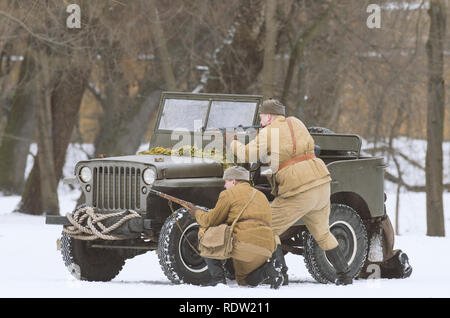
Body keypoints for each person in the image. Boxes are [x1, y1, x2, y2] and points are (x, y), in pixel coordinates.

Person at [229, 99, 352, 285]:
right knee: (323, 233)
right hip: (320, 183)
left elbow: (248, 155)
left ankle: (280, 274)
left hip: (299, 188)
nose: (260, 119)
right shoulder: (297, 122)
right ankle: (345, 276)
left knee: (266, 227)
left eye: (261, 116)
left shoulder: (269, 131)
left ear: (269, 116)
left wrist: (232, 142)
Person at [187, 166, 283, 288]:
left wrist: (196, 212)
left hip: (243, 245)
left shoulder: (228, 194)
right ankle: (268, 270)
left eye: (226, 181)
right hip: (266, 248)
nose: (224, 185)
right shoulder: (261, 196)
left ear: (234, 181)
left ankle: (218, 279)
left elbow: (209, 220)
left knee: (206, 231)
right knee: (244, 281)